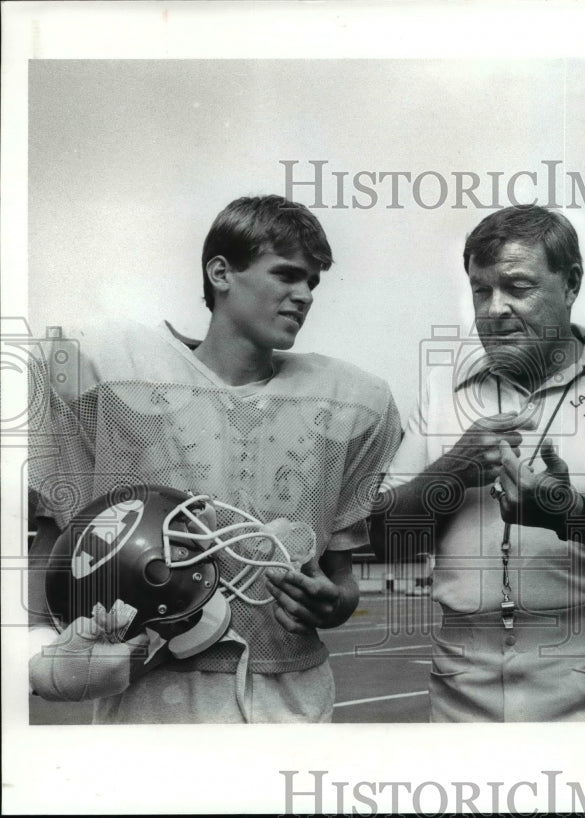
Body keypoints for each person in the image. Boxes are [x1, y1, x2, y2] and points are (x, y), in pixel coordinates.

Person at [27, 194, 401, 723]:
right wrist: (37, 654)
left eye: (312, 283)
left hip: (288, 701)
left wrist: (333, 603)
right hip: (151, 704)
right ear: (221, 272)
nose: (304, 296)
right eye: (287, 275)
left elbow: (340, 578)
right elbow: (55, 537)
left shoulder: (347, 403)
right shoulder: (112, 376)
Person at [375, 205, 585, 722]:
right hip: (462, 687)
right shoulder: (443, 389)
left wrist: (566, 513)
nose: (494, 308)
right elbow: (383, 536)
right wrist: (452, 471)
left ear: (571, 282)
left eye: (518, 287)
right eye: (480, 290)